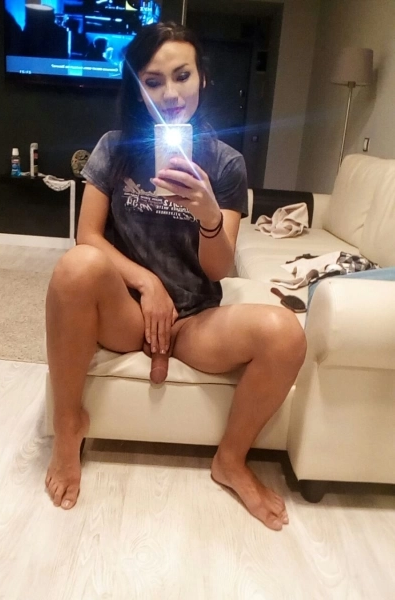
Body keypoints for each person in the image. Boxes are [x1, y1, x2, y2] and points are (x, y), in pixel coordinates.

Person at [45, 22, 307, 531]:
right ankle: (67, 424)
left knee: (285, 332)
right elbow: (88, 237)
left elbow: (218, 269)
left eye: (182, 76)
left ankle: (231, 460)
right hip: (126, 312)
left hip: (194, 321)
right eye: (154, 81)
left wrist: (208, 214)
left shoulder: (225, 163)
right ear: (138, 88)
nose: (170, 94)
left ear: (202, 77)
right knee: (76, 267)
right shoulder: (114, 148)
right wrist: (147, 284)